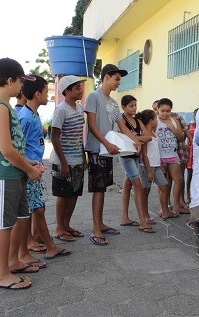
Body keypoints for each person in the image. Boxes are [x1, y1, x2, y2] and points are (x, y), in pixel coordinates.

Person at [0, 57, 43, 289]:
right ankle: (1, 275)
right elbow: (6, 150)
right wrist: (29, 169)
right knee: (4, 224)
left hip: (14, 174)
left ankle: (13, 261)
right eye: (20, 81)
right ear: (9, 80)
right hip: (3, 175)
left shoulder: (7, 106)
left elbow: (14, 146)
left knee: (20, 218)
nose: (22, 86)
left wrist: (29, 162)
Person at [18, 75, 71, 261]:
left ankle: (32, 241)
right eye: (47, 92)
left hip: (34, 168)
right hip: (29, 171)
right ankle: (50, 246)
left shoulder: (33, 113)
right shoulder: (25, 117)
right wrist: (28, 167)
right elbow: (17, 146)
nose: (49, 95)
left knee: (34, 209)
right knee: (38, 209)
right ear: (38, 93)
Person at [84, 64, 128, 246]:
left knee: (103, 188)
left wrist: (136, 141)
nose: (118, 83)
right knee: (98, 189)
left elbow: (122, 125)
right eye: (116, 79)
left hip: (108, 151)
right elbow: (92, 126)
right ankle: (95, 229)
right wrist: (107, 144)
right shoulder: (94, 97)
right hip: (97, 149)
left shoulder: (114, 102)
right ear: (106, 77)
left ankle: (100, 223)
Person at [50, 75, 87, 243]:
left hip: (78, 160)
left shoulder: (79, 109)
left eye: (81, 87)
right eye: (77, 88)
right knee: (63, 195)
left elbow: (79, 136)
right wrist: (64, 163)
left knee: (74, 194)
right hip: (62, 162)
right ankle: (59, 228)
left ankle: (67, 225)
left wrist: (83, 155)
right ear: (67, 91)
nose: (81, 90)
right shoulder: (61, 109)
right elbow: (55, 137)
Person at [117, 95, 155, 233]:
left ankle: (124, 217)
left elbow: (148, 137)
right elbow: (124, 136)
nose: (134, 108)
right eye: (131, 106)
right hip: (126, 155)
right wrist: (139, 139)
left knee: (127, 185)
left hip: (135, 156)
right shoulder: (122, 120)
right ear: (124, 107)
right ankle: (142, 221)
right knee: (137, 186)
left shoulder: (138, 121)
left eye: (135, 105)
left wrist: (134, 139)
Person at [136, 109, 178, 220]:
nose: (157, 120)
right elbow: (144, 155)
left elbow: (154, 152)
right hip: (146, 167)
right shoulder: (146, 135)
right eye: (155, 118)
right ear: (151, 121)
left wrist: (158, 165)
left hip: (155, 167)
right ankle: (145, 216)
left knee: (164, 187)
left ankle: (165, 212)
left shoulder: (153, 133)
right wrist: (149, 171)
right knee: (146, 191)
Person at [155, 98, 187, 215]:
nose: (165, 113)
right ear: (157, 109)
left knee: (178, 180)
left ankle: (177, 206)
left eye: (168, 111)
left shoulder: (174, 120)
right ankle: (163, 208)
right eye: (162, 111)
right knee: (162, 183)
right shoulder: (154, 120)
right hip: (160, 157)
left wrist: (173, 128)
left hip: (173, 155)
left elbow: (181, 137)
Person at [186, 108, 198, 203]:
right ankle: (189, 196)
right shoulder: (189, 125)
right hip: (190, 152)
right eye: (195, 115)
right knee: (190, 174)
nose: (197, 116)